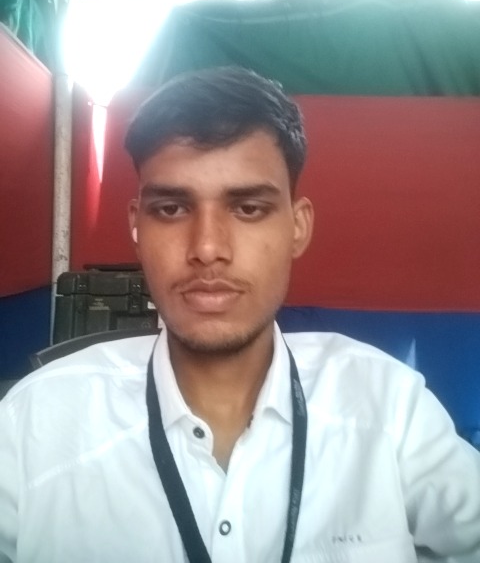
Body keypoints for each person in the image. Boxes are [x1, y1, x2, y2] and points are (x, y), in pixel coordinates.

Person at [0, 67, 479, 563]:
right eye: (171, 209)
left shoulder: (388, 406)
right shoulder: (34, 424)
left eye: (248, 208)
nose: (208, 248)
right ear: (136, 226)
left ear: (298, 227)